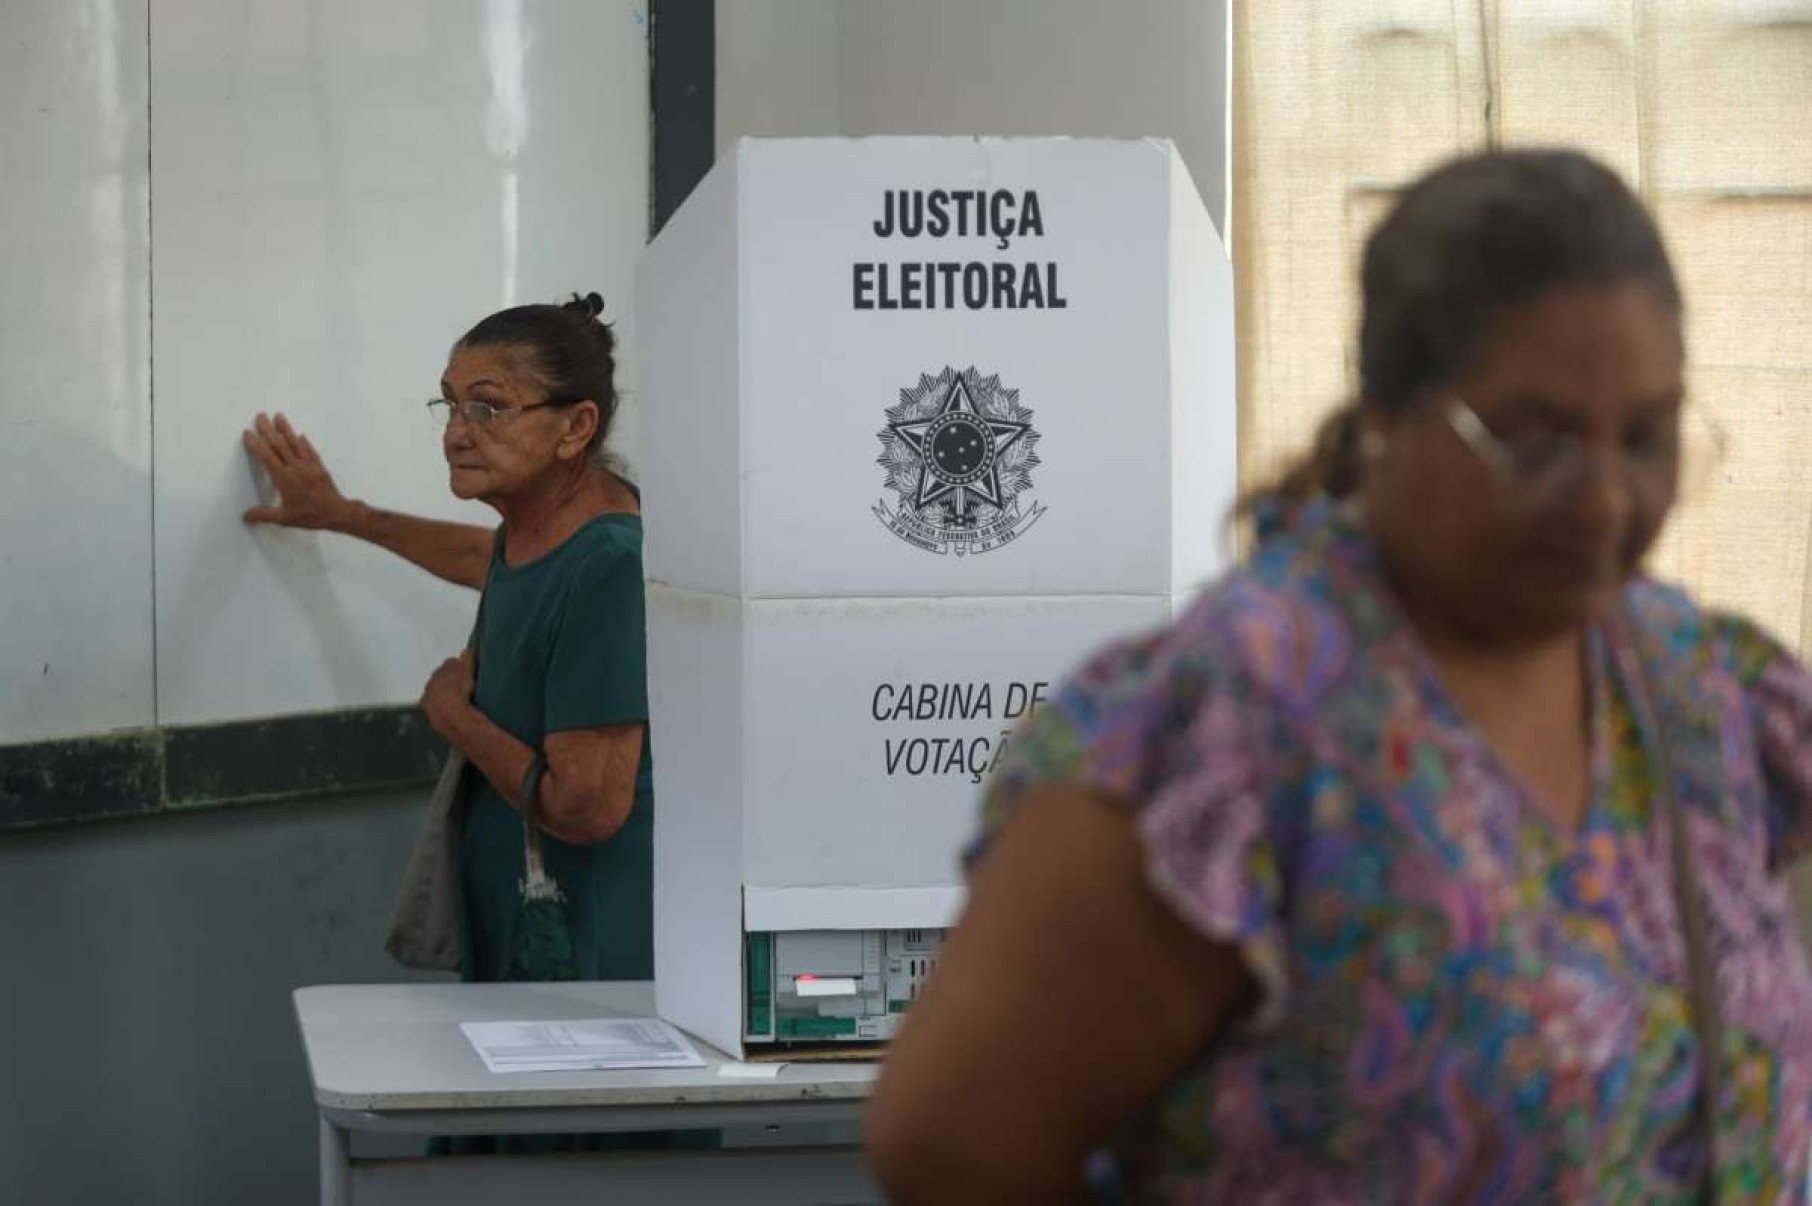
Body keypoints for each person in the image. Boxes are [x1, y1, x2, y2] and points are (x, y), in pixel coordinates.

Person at [866, 150, 1812, 1202]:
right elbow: (948, 1147)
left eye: (1645, 439)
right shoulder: (1242, 718)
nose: (1602, 502)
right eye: (1534, 442)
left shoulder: (1695, 686)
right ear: (1389, 418)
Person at [243, 292, 653, 989]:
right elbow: (487, 562)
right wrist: (345, 516)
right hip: (526, 918)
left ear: (575, 426)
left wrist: (454, 715)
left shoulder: (610, 560)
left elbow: (587, 807)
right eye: (451, 405)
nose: (456, 433)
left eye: (488, 408)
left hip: (587, 954)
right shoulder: (544, 529)